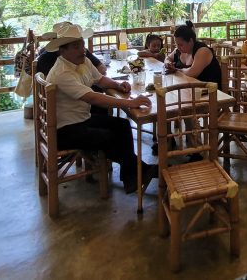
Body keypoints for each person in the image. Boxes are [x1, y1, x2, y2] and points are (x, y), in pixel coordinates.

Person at [44, 23, 158, 195]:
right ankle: (138, 170)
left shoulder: (82, 61)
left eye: (82, 44)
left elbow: (100, 80)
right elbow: (92, 97)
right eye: (76, 47)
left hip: (81, 119)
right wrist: (130, 103)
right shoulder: (62, 73)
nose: (82, 49)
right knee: (108, 137)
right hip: (64, 130)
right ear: (63, 51)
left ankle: (132, 176)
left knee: (122, 126)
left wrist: (118, 85)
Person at [165, 21, 222, 85]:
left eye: (181, 45)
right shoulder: (180, 50)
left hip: (210, 91)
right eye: (176, 44)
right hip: (189, 87)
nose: (178, 47)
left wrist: (176, 70)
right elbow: (168, 58)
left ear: (191, 41)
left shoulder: (202, 51)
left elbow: (192, 73)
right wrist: (168, 64)